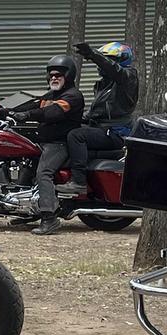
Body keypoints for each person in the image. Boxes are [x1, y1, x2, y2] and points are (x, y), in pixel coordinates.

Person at [12, 54, 84, 236]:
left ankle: (49, 218)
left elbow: (52, 112)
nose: (54, 78)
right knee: (26, 166)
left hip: (59, 144)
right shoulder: (50, 95)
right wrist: (2, 109)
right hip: (43, 141)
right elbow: (31, 105)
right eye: (51, 75)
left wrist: (28, 115)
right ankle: (25, 211)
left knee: (43, 173)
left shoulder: (73, 96)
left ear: (68, 76)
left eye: (58, 75)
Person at [56, 41, 138, 196]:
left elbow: (114, 69)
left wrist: (93, 54)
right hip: (101, 129)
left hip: (116, 132)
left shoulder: (128, 78)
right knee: (66, 131)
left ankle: (78, 182)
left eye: (107, 59)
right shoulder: (103, 85)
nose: (100, 65)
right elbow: (93, 114)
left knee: (76, 135)